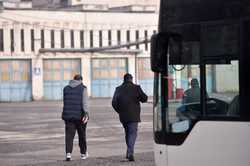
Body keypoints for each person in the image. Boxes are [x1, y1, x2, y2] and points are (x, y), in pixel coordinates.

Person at [112, 73, 148, 162]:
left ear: (124, 80)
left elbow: (114, 102)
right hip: (134, 115)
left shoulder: (118, 89)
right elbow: (144, 98)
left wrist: (119, 111)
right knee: (132, 133)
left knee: (128, 133)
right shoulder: (136, 88)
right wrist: (139, 98)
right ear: (131, 79)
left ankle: (128, 152)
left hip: (123, 116)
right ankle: (130, 152)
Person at [62, 74, 89, 161]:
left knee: (69, 136)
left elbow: (65, 101)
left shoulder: (66, 88)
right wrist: (86, 114)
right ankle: (83, 154)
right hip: (80, 116)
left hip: (68, 116)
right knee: (82, 135)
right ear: (81, 80)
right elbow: (85, 103)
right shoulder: (83, 88)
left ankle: (68, 154)